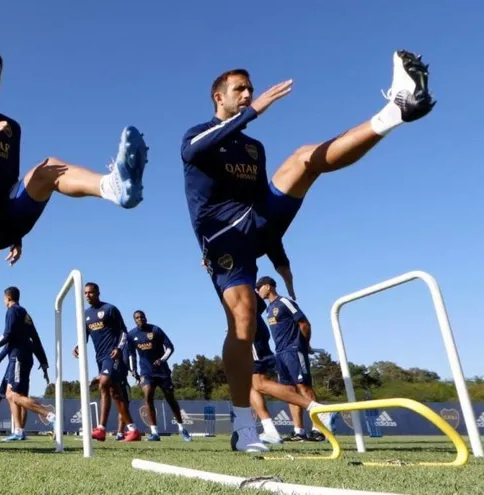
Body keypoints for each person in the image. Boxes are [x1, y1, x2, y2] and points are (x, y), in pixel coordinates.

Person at [180, 50, 434, 452]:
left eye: (250, 89)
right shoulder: (198, 135)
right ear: (219, 97)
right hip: (222, 237)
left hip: (257, 224)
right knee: (243, 320)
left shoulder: (254, 149)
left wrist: (281, 262)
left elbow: (262, 203)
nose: (248, 94)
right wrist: (254, 112)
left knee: (303, 158)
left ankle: (396, 112)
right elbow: (193, 153)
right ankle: (245, 427)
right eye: (239, 89)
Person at [0, 48, 148, 453]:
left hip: (5, 214)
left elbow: (12, 180)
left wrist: (17, 230)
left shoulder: (11, 127)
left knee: (47, 168)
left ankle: (112, 186)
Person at [256, 276, 329, 442]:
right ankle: (299, 431)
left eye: (259, 288)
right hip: (280, 353)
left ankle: (319, 429)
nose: (257, 291)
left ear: (267, 286)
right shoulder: (268, 309)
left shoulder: (284, 302)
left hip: (294, 350)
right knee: (289, 391)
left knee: (303, 386)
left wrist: (305, 344)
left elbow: (304, 324)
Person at [0, 286, 54, 443]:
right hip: (24, 357)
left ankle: (50, 416)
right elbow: (35, 338)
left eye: (3, 299)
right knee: (12, 395)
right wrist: (43, 362)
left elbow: (7, 335)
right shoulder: (24, 314)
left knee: (14, 396)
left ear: (7, 298)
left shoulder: (12, 311)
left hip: (18, 358)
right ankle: (19, 431)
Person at [73, 282, 140, 443]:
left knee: (103, 383)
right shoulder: (86, 314)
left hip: (113, 355)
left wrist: (119, 348)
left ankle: (101, 428)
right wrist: (78, 346)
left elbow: (124, 332)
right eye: (85, 293)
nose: (87, 295)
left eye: (90, 292)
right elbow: (84, 336)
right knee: (114, 393)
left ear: (98, 293)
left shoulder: (110, 309)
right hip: (100, 358)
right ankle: (133, 430)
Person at [126, 310, 192, 442]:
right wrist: (133, 371)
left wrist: (162, 360)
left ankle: (181, 428)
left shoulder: (155, 330)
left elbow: (170, 347)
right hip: (146, 372)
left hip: (162, 372)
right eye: (137, 318)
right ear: (134, 320)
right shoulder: (131, 335)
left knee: (170, 398)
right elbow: (131, 355)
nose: (140, 319)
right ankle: (154, 432)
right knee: (148, 396)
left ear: (145, 318)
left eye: (142, 317)